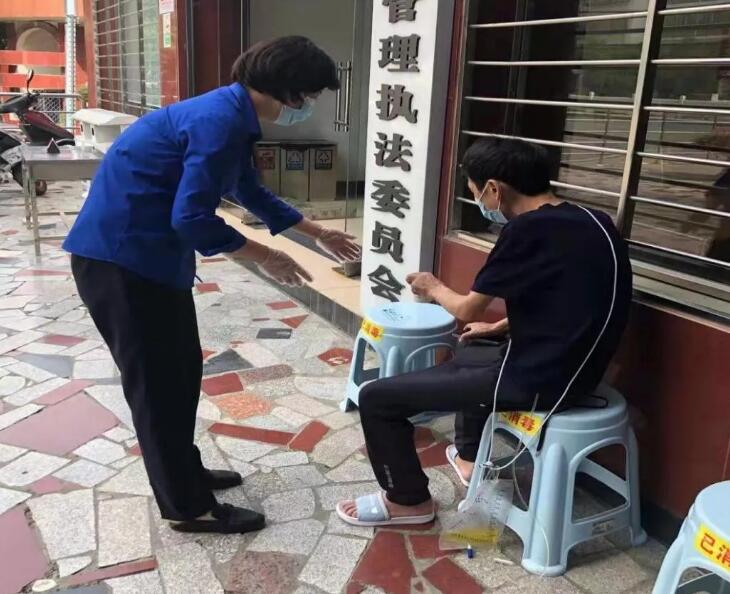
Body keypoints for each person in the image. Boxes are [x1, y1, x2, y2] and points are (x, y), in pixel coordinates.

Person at [64, 36, 359, 534]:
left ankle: (186, 471)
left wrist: (315, 232)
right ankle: (188, 507)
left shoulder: (229, 114)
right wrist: (267, 256)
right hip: (122, 264)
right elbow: (192, 218)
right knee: (159, 388)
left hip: (149, 262)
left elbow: (246, 189)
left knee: (180, 375)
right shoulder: (219, 122)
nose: (308, 106)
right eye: (310, 95)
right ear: (289, 89)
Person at [337, 138, 632, 527]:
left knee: (377, 399)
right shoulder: (594, 220)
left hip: (541, 380)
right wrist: (499, 326)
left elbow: (466, 308)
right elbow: (572, 299)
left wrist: (431, 286)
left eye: (475, 192)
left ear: (494, 189)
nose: (478, 200)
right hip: (579, 367)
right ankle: (468, 457)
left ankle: (408, 501)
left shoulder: (525, 230)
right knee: (471, 344)